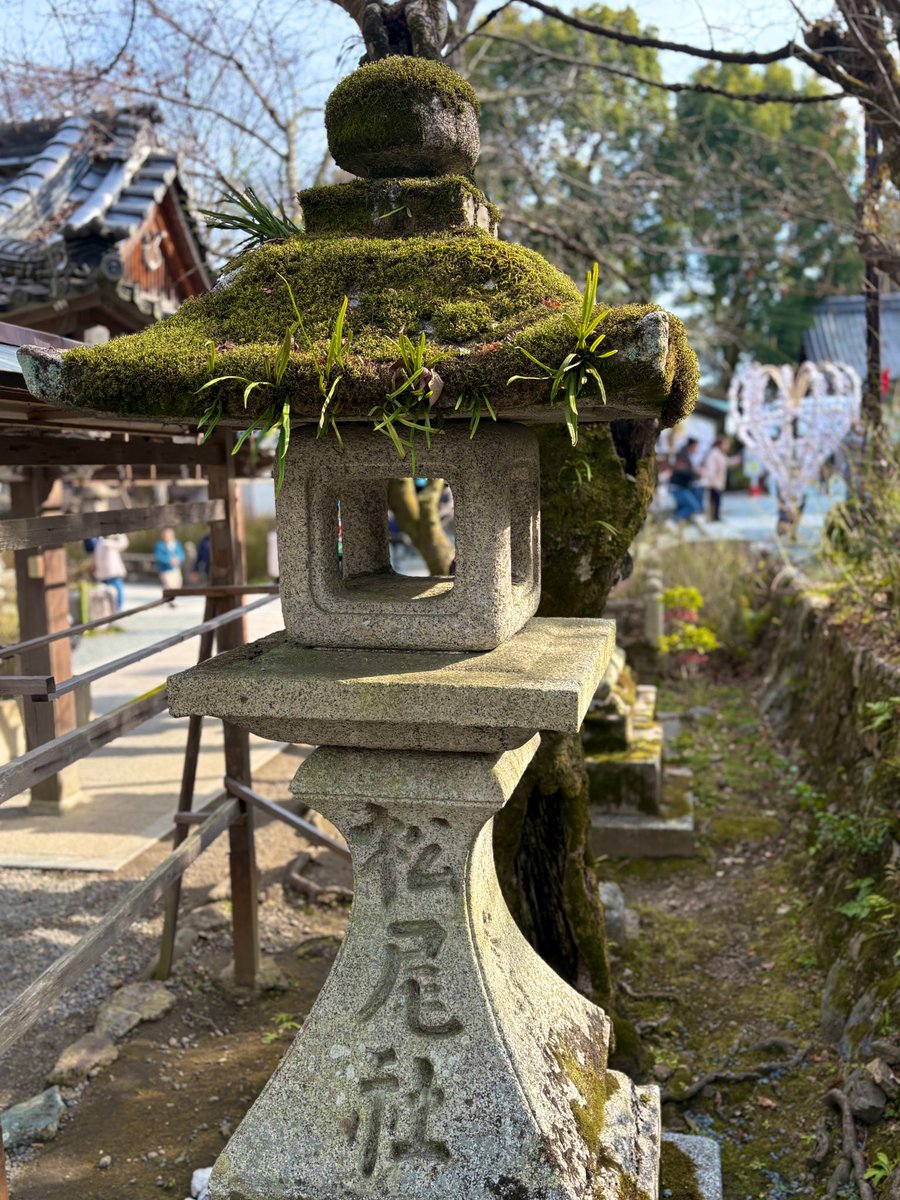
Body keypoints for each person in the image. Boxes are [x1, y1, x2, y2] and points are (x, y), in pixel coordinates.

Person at [702, 435, 741, 522]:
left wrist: (736, 460)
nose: (727, 446)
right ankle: (712, 517)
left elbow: (727, 462)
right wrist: (711, 479)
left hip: (718, 482)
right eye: (725, 444)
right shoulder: (714, 454)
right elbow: (711, 468)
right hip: (714, 482)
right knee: (713, 500)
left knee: (717, 500)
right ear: (720, 444)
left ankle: (715, 516)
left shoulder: (720, 454)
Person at [90, 534, 129, 611]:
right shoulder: (108, 544)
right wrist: (120, 533)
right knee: (118, 595)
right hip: (112, 575)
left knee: (107, 597)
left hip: (102, 575)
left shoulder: (98, 544)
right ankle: (117, 611)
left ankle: (112, 611)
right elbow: (124, 543)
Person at [669, 438, 703, 522]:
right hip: (678, 486)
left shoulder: (687, 455)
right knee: (693, 506)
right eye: (697, 446)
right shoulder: (682, 455)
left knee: (683, 507)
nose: (698, 449)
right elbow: (682, 470)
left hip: (682, 486)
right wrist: (695, 472)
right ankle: (672, 521)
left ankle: (676, 522)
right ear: (691, 446)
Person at [154, 527, 185, 592]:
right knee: (169, 587)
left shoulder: (176, 543)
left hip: (176, 569)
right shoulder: (159, 545)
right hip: (165, 570)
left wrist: (177, 559)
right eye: (166, 535)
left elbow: (181, 555)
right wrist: (169, 560)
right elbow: (159, 557)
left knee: (177, 586)